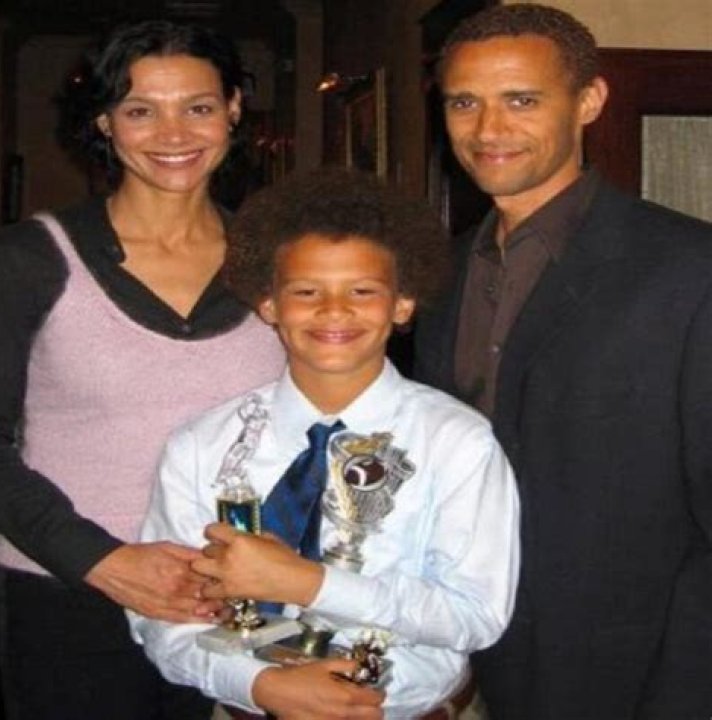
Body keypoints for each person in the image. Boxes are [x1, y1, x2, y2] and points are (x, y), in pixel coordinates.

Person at [129, 168, 520, 719]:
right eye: (306, 291)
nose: (334, 309)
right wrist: (259, 685)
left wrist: (309, 584)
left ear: (402, 305)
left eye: (362, 291)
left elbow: (476, 615)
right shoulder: (201, 446)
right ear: (269, 304)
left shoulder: (457, 443)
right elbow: (161, 617)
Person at [414, 4, 712, 719]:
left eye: (521, 100)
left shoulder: (689, 270)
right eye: (464, 102)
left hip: (645, 665)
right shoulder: (437, 276)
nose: (488, 129)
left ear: (589, 101)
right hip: (478, 652)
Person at [0, 19, 284, 720]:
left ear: (233, 110)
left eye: (198, 106)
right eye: (140, 110)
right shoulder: (29, 259)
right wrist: (104, 560)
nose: (173, 133)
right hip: (68, 597)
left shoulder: (280, 260)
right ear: (104, 121)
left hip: (229, 601)